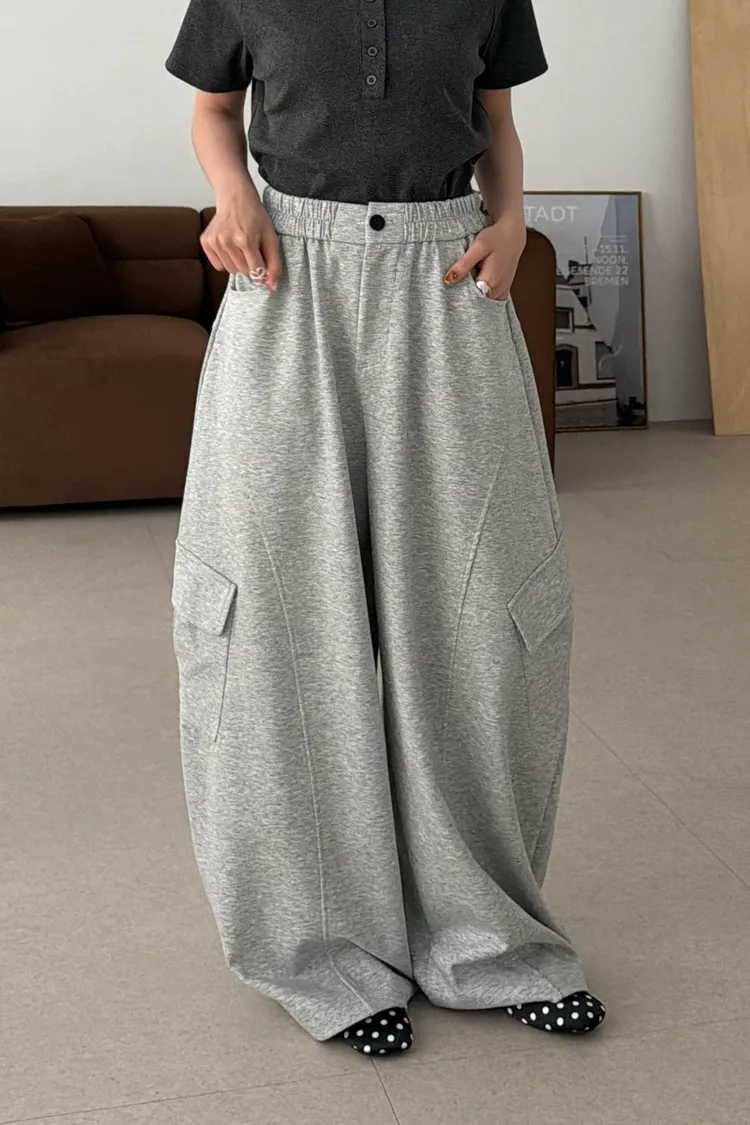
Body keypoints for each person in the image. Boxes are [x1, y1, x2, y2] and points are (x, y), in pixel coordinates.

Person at [165, 0, 606, 1056]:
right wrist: (231, 193)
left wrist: (511, 220)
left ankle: (488, 939)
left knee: (480, 618)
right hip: (284, 280)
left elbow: (496, 121)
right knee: (277, 624)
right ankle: (324, 951)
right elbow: (213, 110)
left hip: (447, 280)